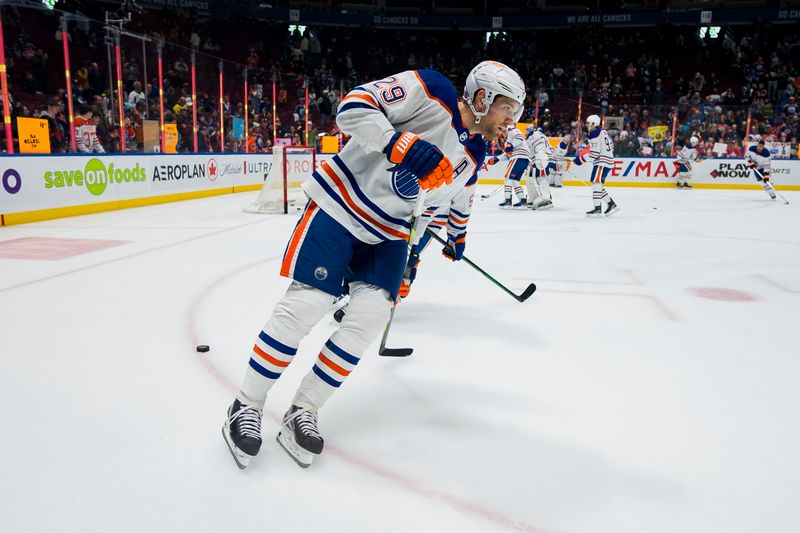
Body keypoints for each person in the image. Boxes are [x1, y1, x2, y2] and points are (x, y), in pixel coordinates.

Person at [222, 61, 525, 469]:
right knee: (306, 306)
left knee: (369, 316)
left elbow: (431, 207)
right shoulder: (432, 88)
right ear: (484, 98)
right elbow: (353, 107)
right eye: (509, 109)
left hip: (391, 233)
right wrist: (399, 144)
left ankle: (303, 410)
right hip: (341, 206)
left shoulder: (474, 151)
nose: (513, 121)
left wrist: (413, 258)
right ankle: (246, 405)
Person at [573, 114, 619, 217]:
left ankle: (597, 209)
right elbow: (611, 146)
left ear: (594, 123)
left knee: (596, 184)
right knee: (596, 185)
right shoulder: (603, 132)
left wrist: (580, 160)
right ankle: (611, 204)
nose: (587, 125)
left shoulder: (594, 134)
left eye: (589, 123)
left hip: (601, 163)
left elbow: (594, 154)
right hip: (606, 161)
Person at [487, 124, 530, 209]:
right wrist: (497, 159)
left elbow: (519, 137)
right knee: (514, 181)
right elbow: (508, 154)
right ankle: (522, 200)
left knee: (508, 178)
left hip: (518, 157)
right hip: (523, 158)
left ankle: (508, 201)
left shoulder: (512, 130)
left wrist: (511, 145)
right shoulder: (510, 138)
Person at [525, 126, 553, 210]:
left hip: (541, 158)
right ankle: (539, 197)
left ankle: (546, 197)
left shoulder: (535, 135)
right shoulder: (538, 135)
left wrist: (540, 157)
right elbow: (550, 148)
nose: (526, 132)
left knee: (541, 178)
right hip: (539, 158)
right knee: (536, 178)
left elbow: (540, 148)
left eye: (527, 130)